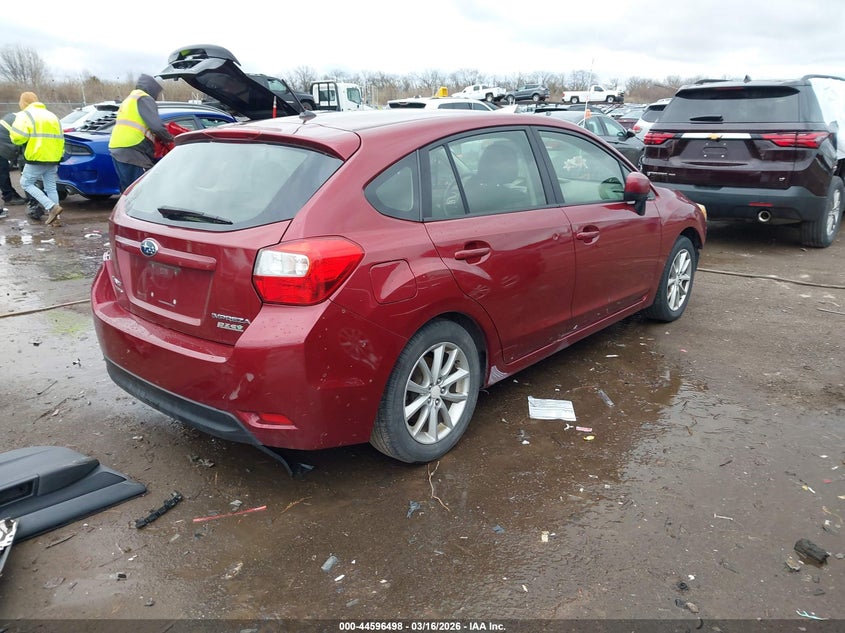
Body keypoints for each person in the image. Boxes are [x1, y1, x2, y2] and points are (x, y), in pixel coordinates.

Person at [108, 74, 173, 192]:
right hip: (133, 149)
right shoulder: (144, 98)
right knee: (141, 190)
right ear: (152, 89)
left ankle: (124, 210)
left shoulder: (130, 99)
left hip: (117, 148)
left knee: (128, 190)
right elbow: (157, 127)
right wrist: (170, 139)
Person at [9, 92, 65, 224]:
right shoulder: (52, 115)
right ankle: (56, 219)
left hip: (37, 155)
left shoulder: (25, 115)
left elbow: (18, 137)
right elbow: (61, 137)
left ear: (23, 102)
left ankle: (52, 207)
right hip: (53, 156)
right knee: (51, 187)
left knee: (25, 183)